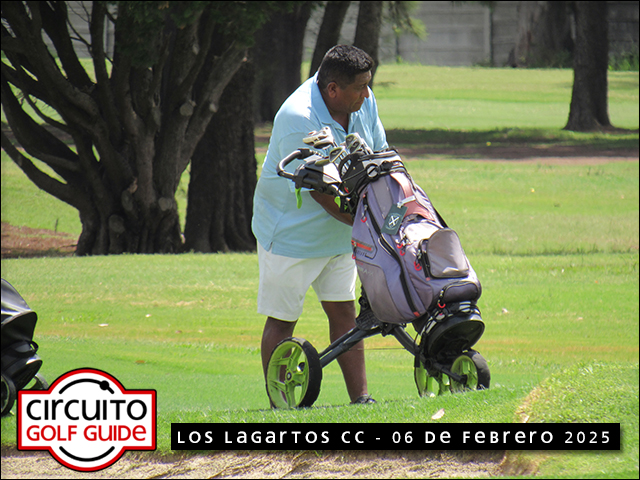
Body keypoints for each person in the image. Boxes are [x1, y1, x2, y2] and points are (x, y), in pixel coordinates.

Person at [252, 45, 388, 405]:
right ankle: (281, 406)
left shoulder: (362, 101)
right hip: (292, 236)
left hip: (342, 232)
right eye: (360, 87)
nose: (366, 94)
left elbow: (379, 156)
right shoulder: (299, 117)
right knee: (283, 320)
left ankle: (361, 400)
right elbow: (321, 193)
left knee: (344, 310)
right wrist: (368, 223)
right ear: (333, 89)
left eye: (368, 85)